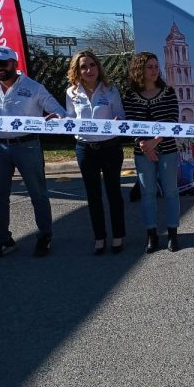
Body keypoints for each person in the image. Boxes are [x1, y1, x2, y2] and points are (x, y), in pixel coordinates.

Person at [0, 45, 66, 258]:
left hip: (27, 145)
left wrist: (55, 119)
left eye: (2, 63)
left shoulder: (34, 88)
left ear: (14, 63)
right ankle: (2, 239)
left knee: (38, 193)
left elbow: (59, 112)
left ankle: (44, 236)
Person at [66, 51, 126, 255]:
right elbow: (70, 119)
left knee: (113, 193)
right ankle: (99, 237)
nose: (89, 70)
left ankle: (118, 236)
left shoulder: (110, 90)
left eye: (92, 65)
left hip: (109, 147)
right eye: (83, 66)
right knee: (93, 195)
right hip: (85, 149)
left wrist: (118, 123)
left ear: (98, 67)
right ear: (77, 70)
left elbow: (120, 115)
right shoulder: (71, 93)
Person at [123, 51, 181, 253]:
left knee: (171, 191)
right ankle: (151, 234)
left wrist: (156, 141)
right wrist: (142, 145)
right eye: (150, 67)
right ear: (140, 69)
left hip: (167, 149)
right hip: (142, 152)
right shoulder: (130, 95)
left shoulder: (169, 92)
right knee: (147, 193)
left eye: (156, 66)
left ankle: (173, 233)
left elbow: (173, 120)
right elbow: (129, 122)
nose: (155, 70)